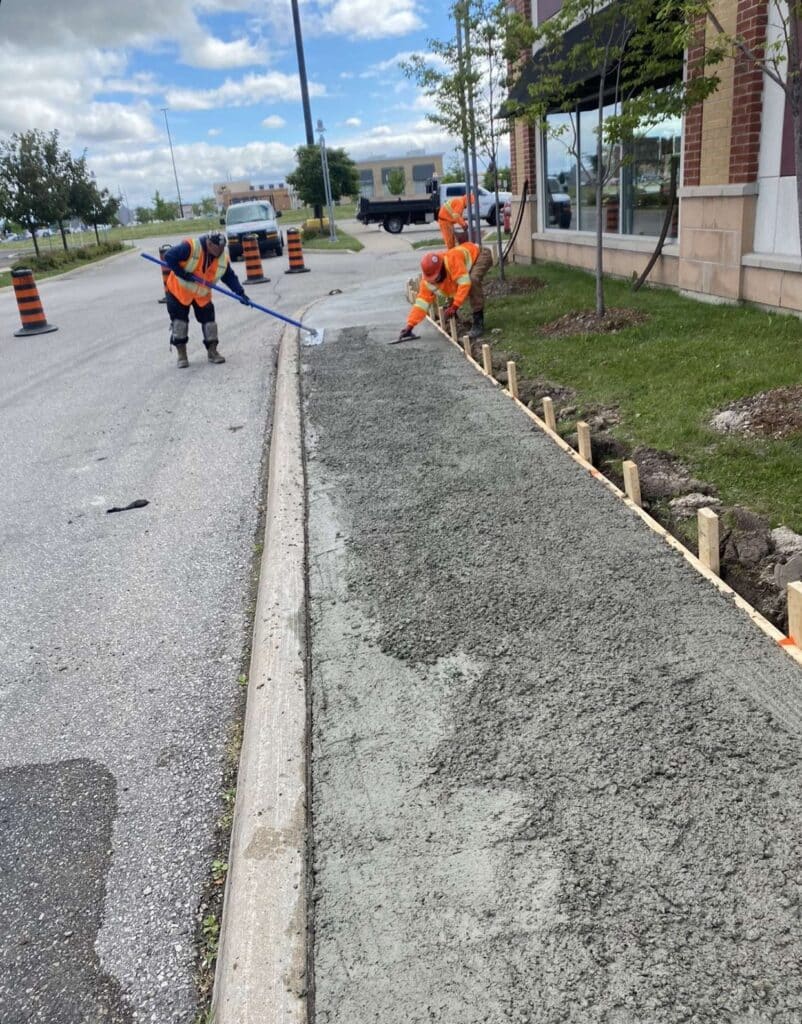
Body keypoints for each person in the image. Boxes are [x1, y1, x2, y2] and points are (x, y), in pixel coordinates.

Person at [162, 231, 249, 368]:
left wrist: (240, 293)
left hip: (202, 295)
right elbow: (169, 256)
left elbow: (229, 277)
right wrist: (183, 273)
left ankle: (212, 352)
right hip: (178, 291)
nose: (220, 252)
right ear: (209, 244)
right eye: (217, 249)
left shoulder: (221, 259)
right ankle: (182, 354)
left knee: (210, 324)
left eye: (222, 249)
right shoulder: (190, 247)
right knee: (180, 323)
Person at [398, 241, 493, 343]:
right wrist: (410, 325)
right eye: (432, 279)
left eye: (436, 277)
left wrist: (455, 306)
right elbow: (421, 305)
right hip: (463, 266)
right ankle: (456, 321)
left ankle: (478, 322)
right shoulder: (427, 282)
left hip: (480, 255)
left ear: (441, 267)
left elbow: (464, 283)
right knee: (450, 286)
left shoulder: (452, 260)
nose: (434, 281)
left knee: (472, 280)